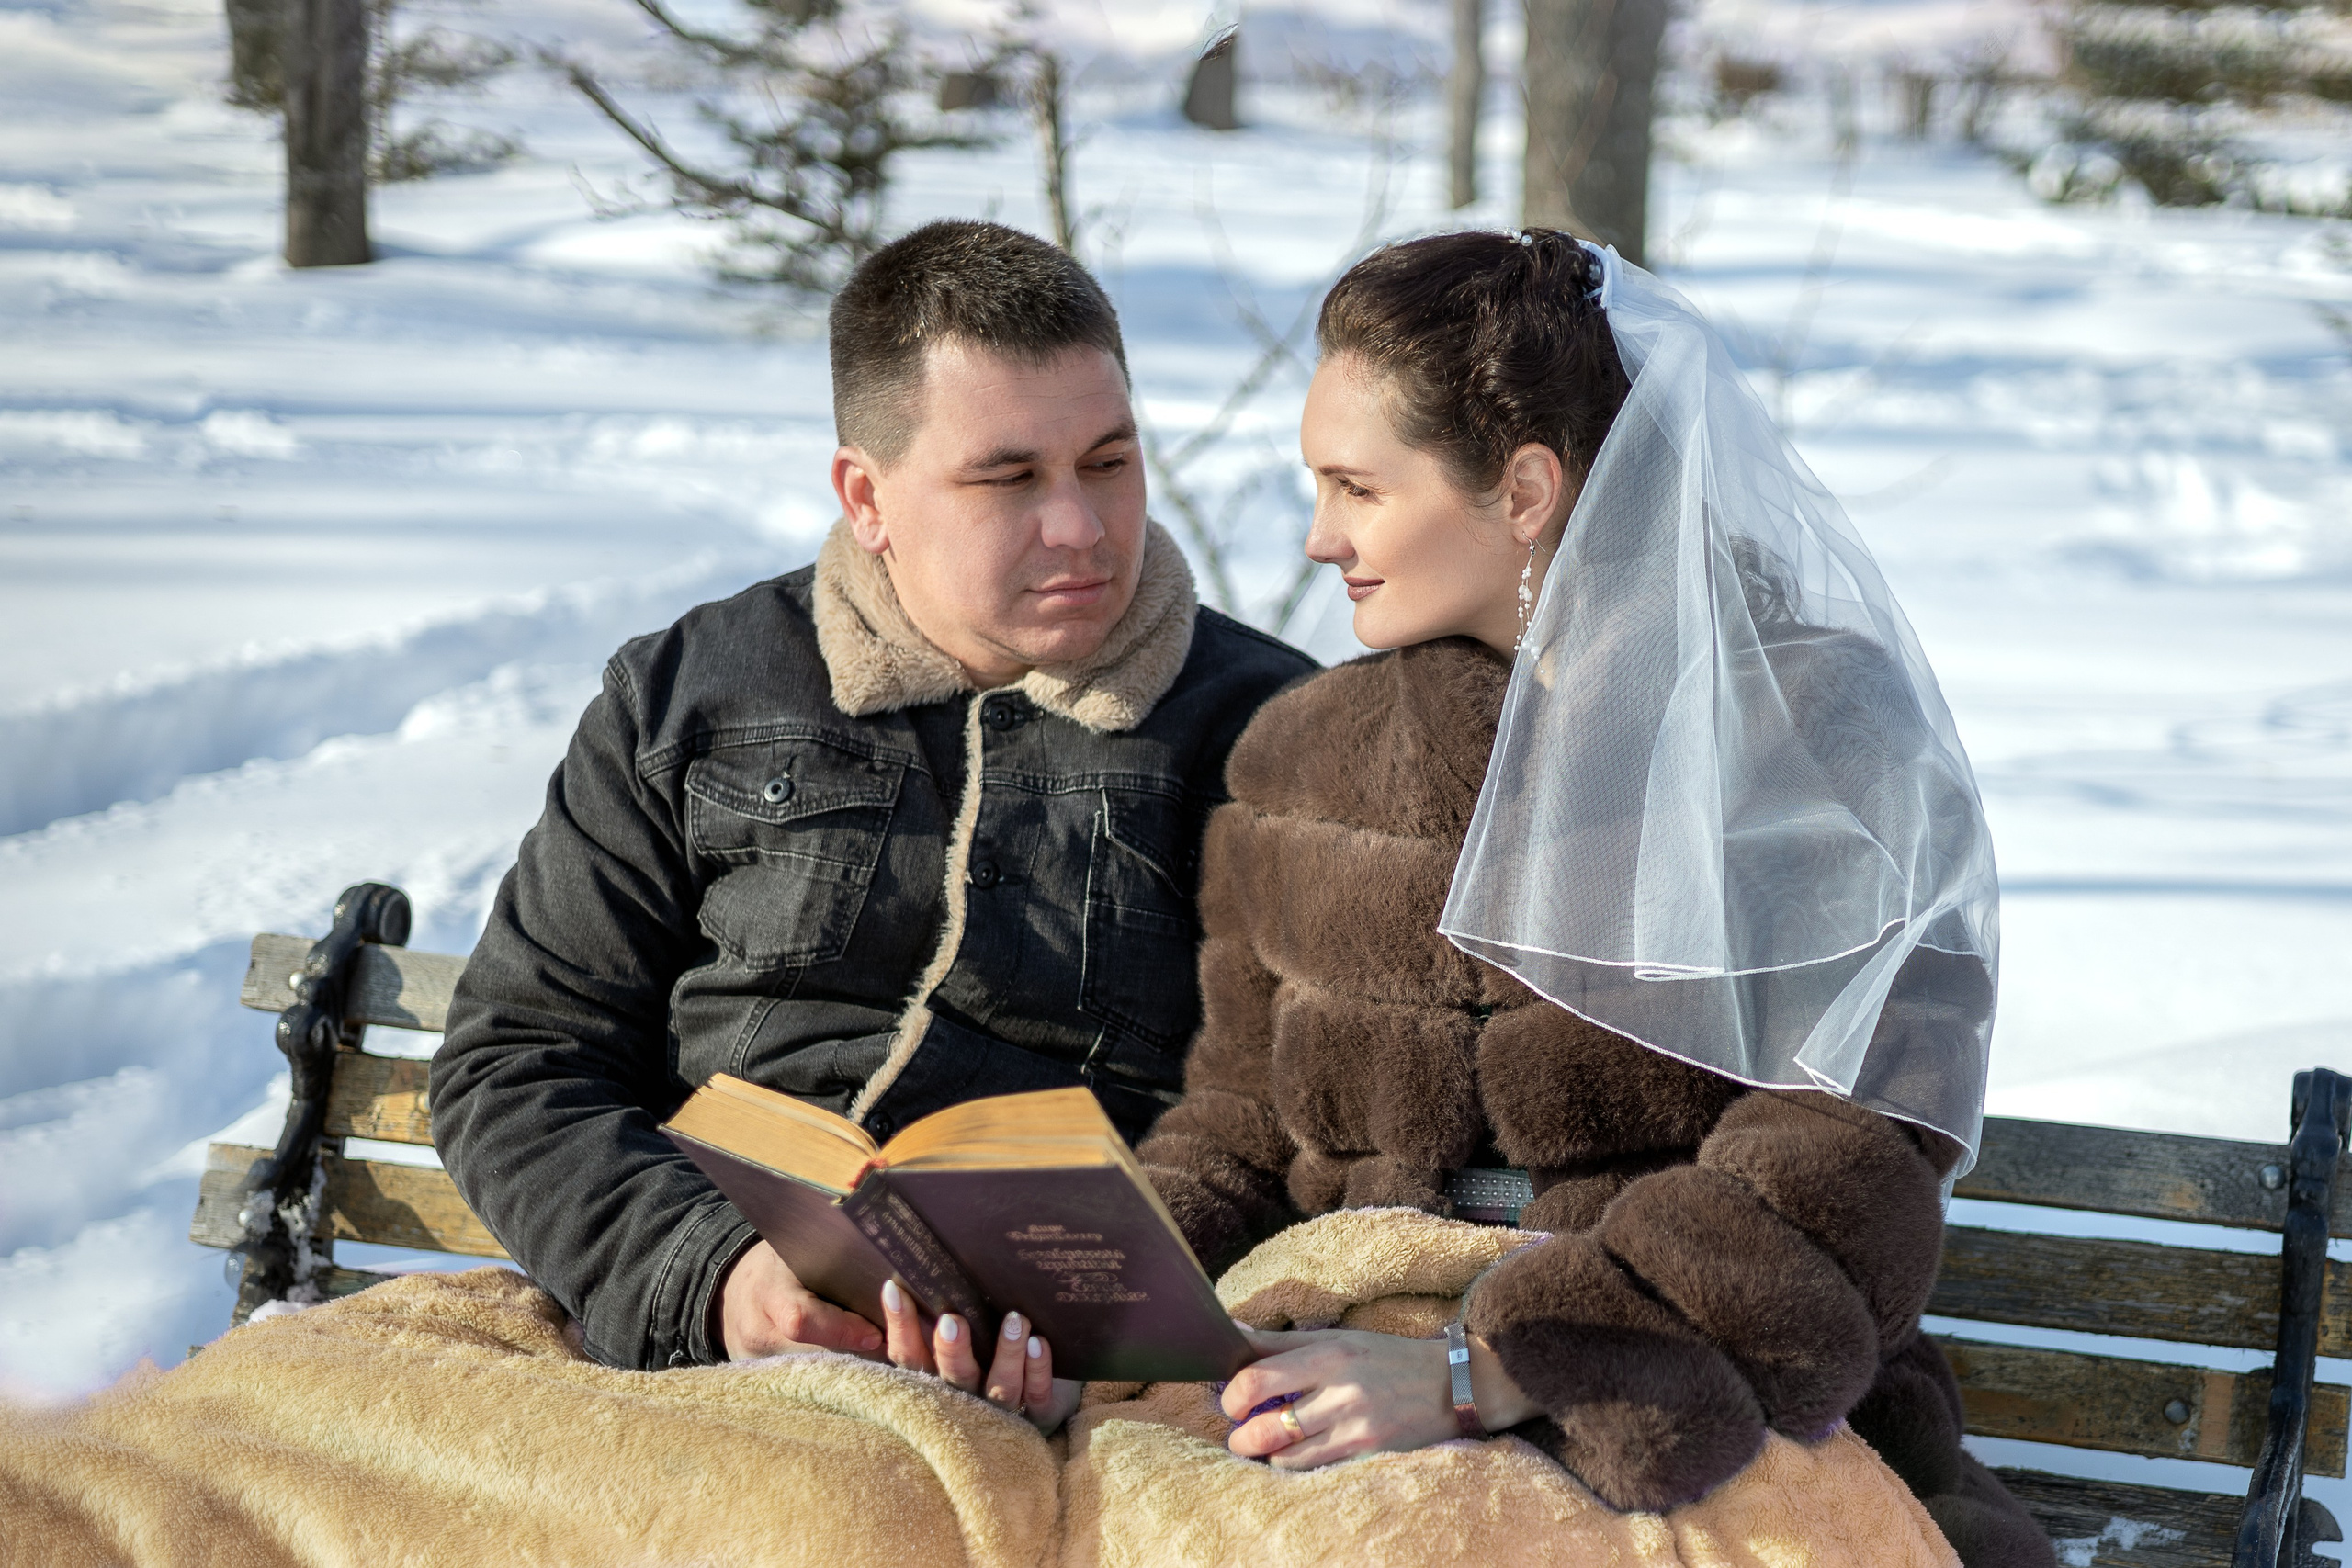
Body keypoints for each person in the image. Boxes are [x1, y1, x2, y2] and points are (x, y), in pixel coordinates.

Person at [1136, 230, 2053, 1567]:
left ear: (1521, 487)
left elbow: (1843, 1167)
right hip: (1337, 1385)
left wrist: (1495, 1373)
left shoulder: (1819, 747)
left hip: (1693, 1423)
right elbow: (1236, 1125)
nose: (1320, 535)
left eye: (1357, 487)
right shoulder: (1301, 759)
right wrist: (1092, 1285)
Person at [430, 220, 1314, 1430]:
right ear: (868, 495)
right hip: (697, 1367)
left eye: (1108, 462)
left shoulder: (1278, 737)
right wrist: (717, 1284)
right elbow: (518, 1060)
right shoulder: (691, 692)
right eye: (1009, 480)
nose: (1081, 526)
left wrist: (1116, 1329)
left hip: (1084, 1403)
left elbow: (1313, 1118)